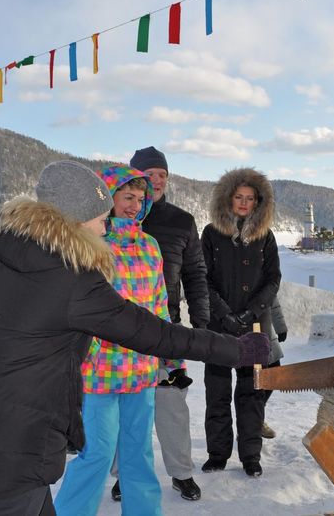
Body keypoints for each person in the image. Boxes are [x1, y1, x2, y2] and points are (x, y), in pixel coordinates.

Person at [0, 160, 270, 516]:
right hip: (23, 438)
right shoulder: (75, 277)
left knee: (118, 462)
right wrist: (235, 349)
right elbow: (151, 332)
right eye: (101, 218)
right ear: (75, 219)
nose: (106, 226)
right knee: (90, 457)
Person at [54, 166, 169, 515]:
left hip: (142, 367)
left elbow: (159, 302)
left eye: (140, 199)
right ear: (107, 199)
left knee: (139, 454)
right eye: (127, 197)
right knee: (97, 453)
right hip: (98, 368)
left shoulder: (150, 245)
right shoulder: (89, 244)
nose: (134, 206)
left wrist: (171, 355)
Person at [109, 146, 208, 502]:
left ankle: (182, 473)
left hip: (166, 326)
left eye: (162, 174)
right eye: (149, 174)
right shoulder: (112, 222)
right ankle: (124, 474)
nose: (156, 180)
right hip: (118, 334)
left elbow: (195, 274)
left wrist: (201, 323)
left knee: (171, 405)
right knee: (123, 411)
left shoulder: (182, 221)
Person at [201, 167, 281, 478]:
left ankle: (251, 456)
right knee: (217, 393)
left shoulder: (266, 236)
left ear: (258, 202)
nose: (244, 203)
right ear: (228, 199)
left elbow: (273, 279)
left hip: (255, 326)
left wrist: (251, 313)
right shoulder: (211, 234)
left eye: (250, 198)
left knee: (251, 395)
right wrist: (224, 314)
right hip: (218, 326)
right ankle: (217, 454)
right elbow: (203, 279)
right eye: (239, 197)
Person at [261, 295, 287, 439]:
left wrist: (280, 326)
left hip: (265, 326)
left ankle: (255, 418)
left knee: (273, 374)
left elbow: (272, 298)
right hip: (243, 327)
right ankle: (249, 425)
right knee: (250, 382)